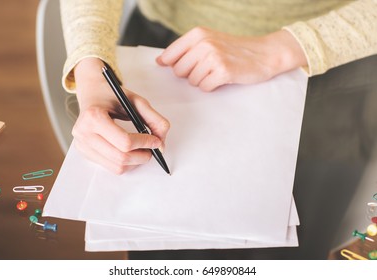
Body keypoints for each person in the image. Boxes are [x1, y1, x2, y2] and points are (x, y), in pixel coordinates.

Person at [58, 0, 377, 259]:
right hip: (167, 52)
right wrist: (90, 67)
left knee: (287, 250)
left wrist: (282, 47)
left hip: (332, 60)